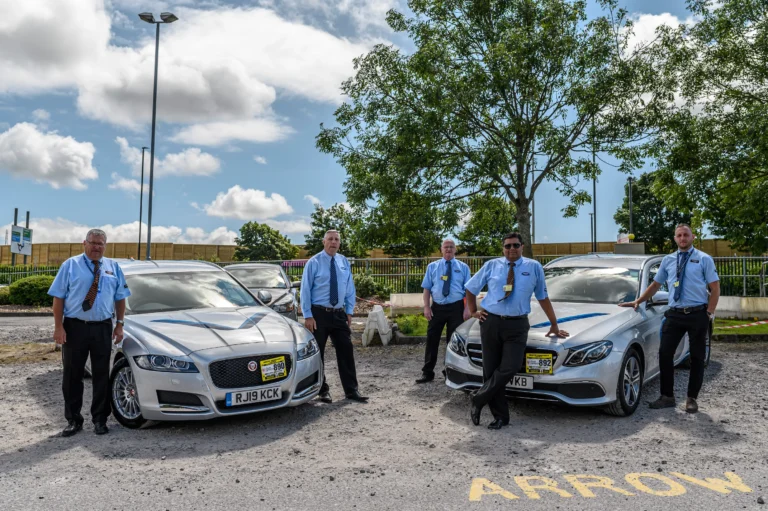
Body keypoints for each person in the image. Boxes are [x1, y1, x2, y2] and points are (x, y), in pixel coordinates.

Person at [464, 233, 568, 430]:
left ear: (522, 247)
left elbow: (543, 296)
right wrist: (473, 311)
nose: (511, 249)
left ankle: (479, 397)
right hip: (491, 322)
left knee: (510, 367)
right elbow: (471, 288)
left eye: (515, 245)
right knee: (491, 370)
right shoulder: (492, 265)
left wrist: (553, 324)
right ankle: (500, 417)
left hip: (517, 325)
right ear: (503, 248)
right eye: (507, 246)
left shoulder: (533, 267)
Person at [619, 223, 720, 413]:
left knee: (697, 358)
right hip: (674, 313)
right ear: (675, 238)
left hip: (698, 313)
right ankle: (667, 396)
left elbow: (715, 288)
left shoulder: (704, 259)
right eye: (679, 235)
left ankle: (691, 399)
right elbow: (656, 285)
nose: (683, 238)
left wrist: (709, 313)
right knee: (665, 354)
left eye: (686, 235)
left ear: (693, 237)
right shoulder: (668, 260)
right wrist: (638, 301)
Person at [48, 229, 130, 437]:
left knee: (102, 375)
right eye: (93, 243)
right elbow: (58, 299)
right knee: (72, 375)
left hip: (103, 327)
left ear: (105, 245)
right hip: (75, 327)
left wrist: (119, 324)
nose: (97, 247)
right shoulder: (70, 265)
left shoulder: (114, 267)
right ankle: (73, 420)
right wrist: (59, 327)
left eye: (101, 243)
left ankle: (100, 419)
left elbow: (120, 298)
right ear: (84, 243)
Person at [300, 230, 368, 403]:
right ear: (324, 242)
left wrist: (350, 311)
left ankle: (351, 390)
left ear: (339, 243)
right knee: (318, 353)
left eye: (336, 239)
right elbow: (305, 290)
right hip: (318, 315)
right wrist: (308, 315)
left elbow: (349, 288)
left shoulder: (343, 261)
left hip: (339, 314)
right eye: (330, 239)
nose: (333, 242)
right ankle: (322, 390)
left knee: (346, 350)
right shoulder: (313, 262)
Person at [416, 239, 471, 383]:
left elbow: (469, 291)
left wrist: (467, 309)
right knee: (432, 339)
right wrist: (426, 307)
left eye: (451, 247)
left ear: (455, 250)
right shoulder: (432, 267)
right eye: (446, 247)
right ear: (441, 249)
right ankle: (427, 373)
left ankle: (450, 372)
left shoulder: (463, 267)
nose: (448, 249)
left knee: (453, 341)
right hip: (437, 308)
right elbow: (427, 288)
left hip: (456, 308)